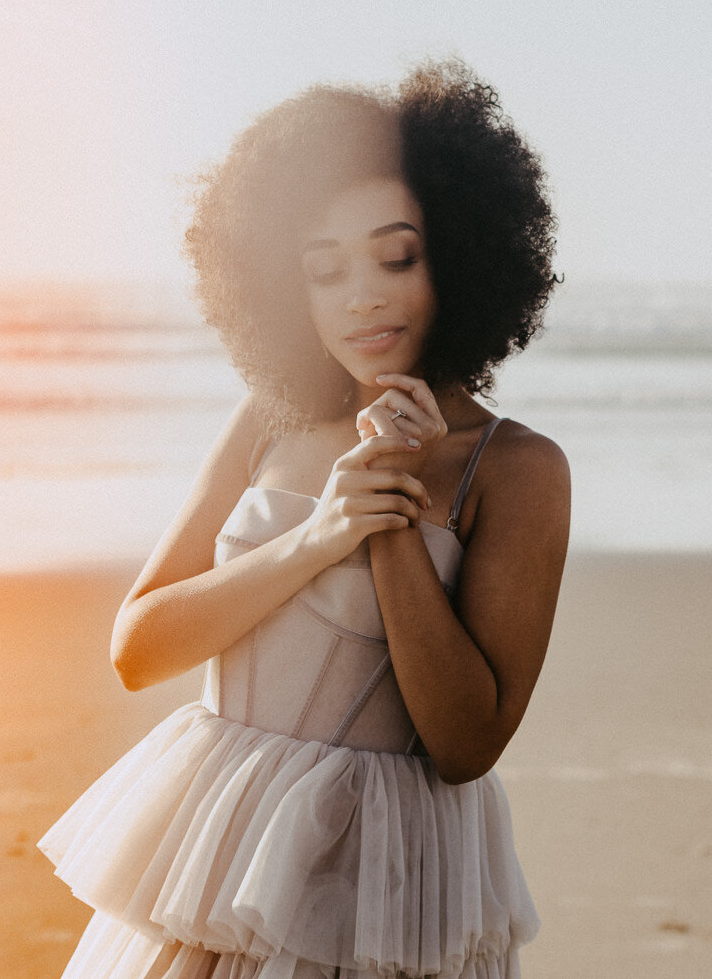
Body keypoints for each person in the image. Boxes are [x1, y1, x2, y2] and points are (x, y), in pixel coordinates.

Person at [39, 58, 571, 979]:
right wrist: (319, 534)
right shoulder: (268, 416)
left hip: (385, 898)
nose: (362, 295)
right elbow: (139, 648)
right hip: (215, 857)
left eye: (395, 255)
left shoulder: (517, 469)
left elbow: (465, 742)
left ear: (459, 257)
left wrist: (392, 516)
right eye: (324, 270)